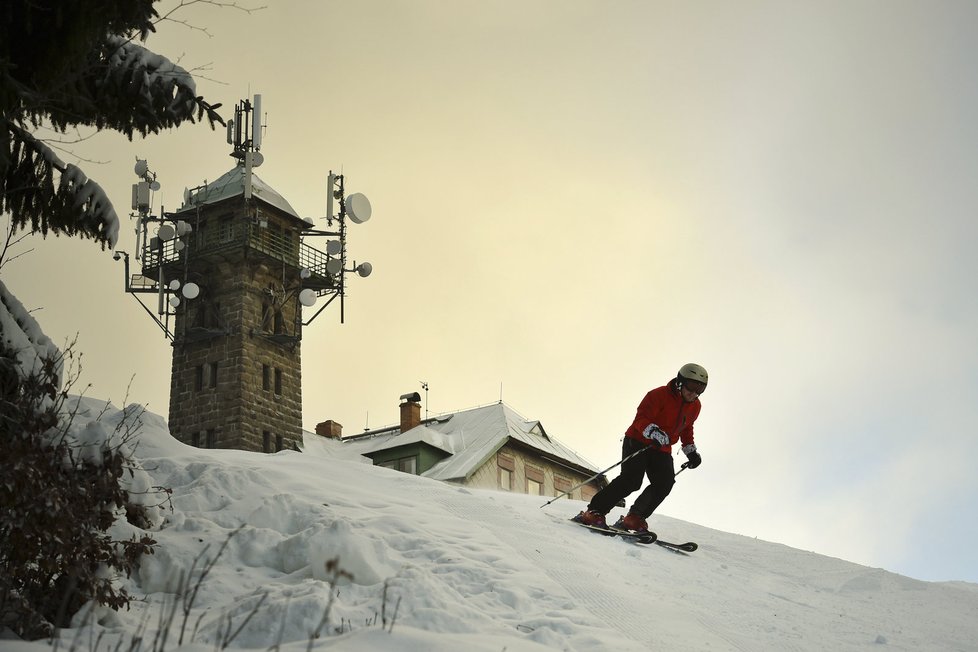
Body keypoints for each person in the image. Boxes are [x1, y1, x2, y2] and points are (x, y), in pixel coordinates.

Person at [573, 363, 707, 533]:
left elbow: (687, 428)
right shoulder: (658, 395)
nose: (694, 393)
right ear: (681, 382)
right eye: (692, 387)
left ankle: (634, 517)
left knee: (665, 483)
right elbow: (641, 419)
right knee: (631, 481)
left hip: (662, 449)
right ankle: (594, 511)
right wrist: (654, 432)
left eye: (700, 389)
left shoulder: (695, 406)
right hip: (638, 440)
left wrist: (691, 451)